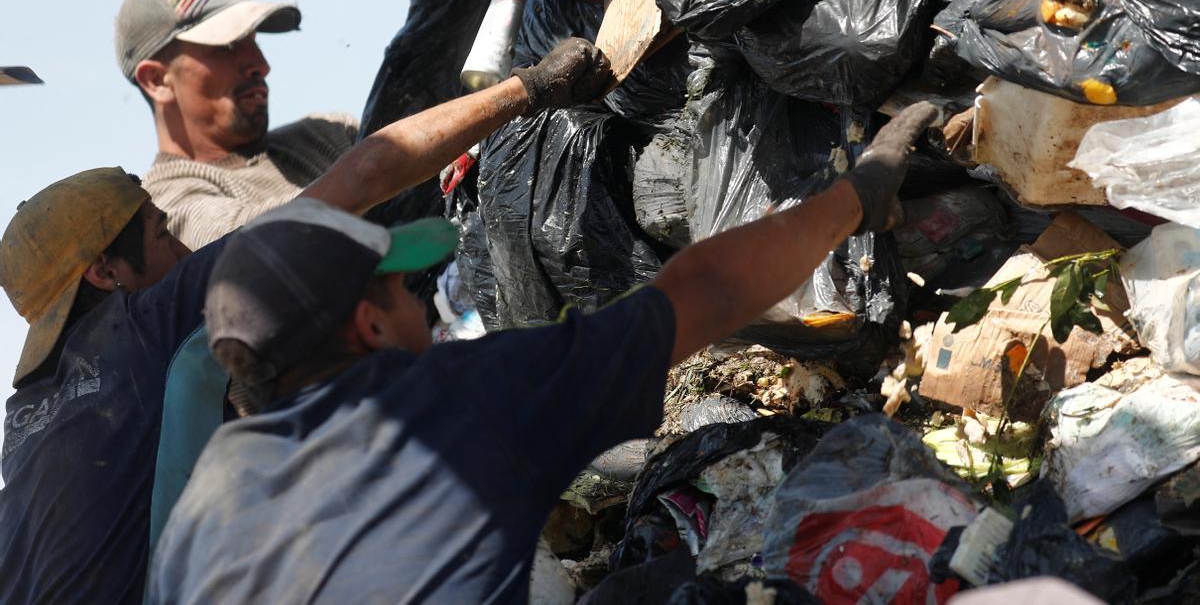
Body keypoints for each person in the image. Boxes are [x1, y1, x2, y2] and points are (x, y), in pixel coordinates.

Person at [148, 102, 939, 604]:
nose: (423, 299)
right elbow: (707, 290)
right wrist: (855, 197)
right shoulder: (452, 405)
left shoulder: (201, 509)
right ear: (371, 327)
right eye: (403, 289)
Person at [0, 38, 612, 605]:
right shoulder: (147, 325)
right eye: (164, 236)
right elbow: (367, 174)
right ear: (106, 274)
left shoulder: (25, 423)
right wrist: (527, 89)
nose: (184, 254)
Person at [115, 0, 357, 250]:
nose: (261, 65)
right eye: (226, 46)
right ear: (158, 81)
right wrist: (378, 164)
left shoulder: (329, 134)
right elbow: (256, 238)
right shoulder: (164, 212)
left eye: (253, 40)